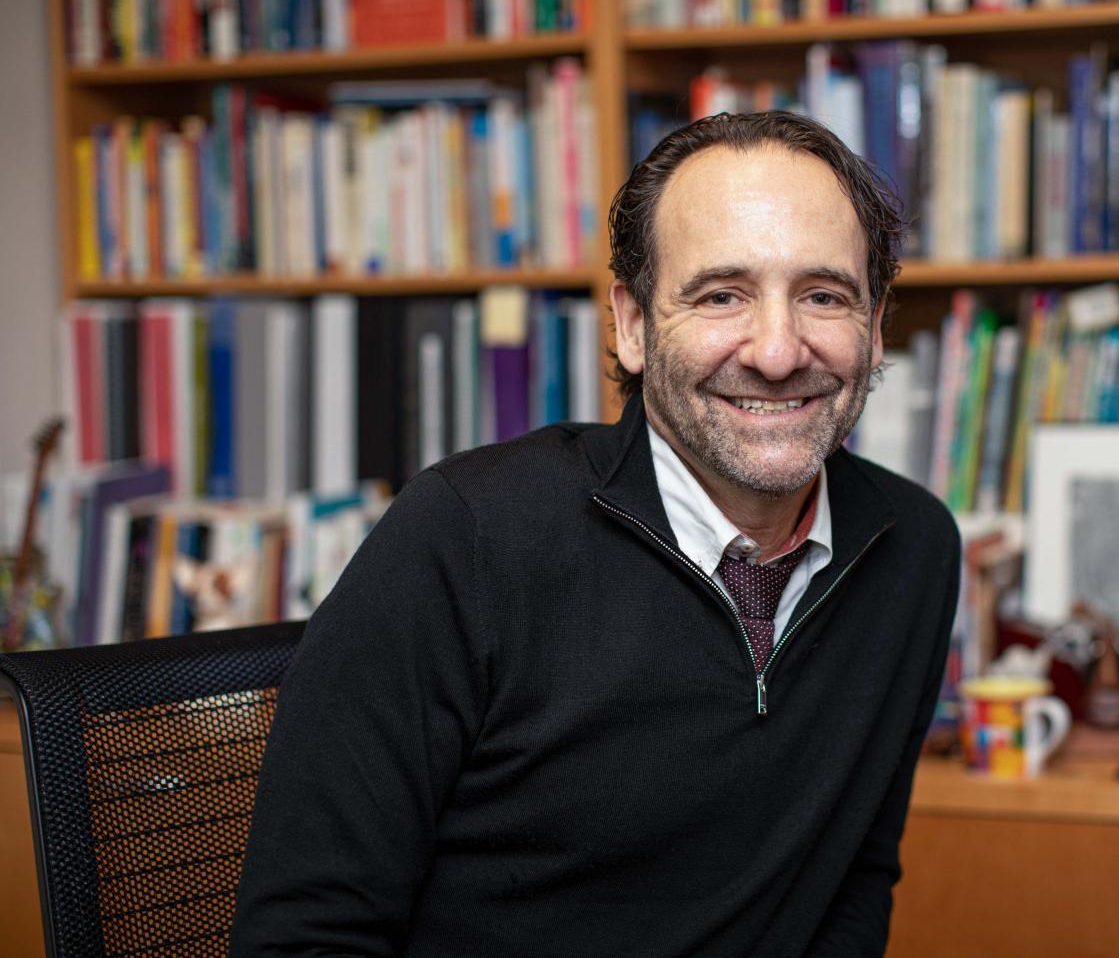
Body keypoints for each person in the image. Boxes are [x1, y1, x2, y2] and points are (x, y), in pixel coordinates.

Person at [230, 111, 961, 958]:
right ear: (633, 324)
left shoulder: (913, 549)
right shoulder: (463, 537)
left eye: (823, 295)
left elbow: (852, 881)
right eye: (721, 294)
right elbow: (304, 938)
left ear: (875, 325)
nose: (775, 349)